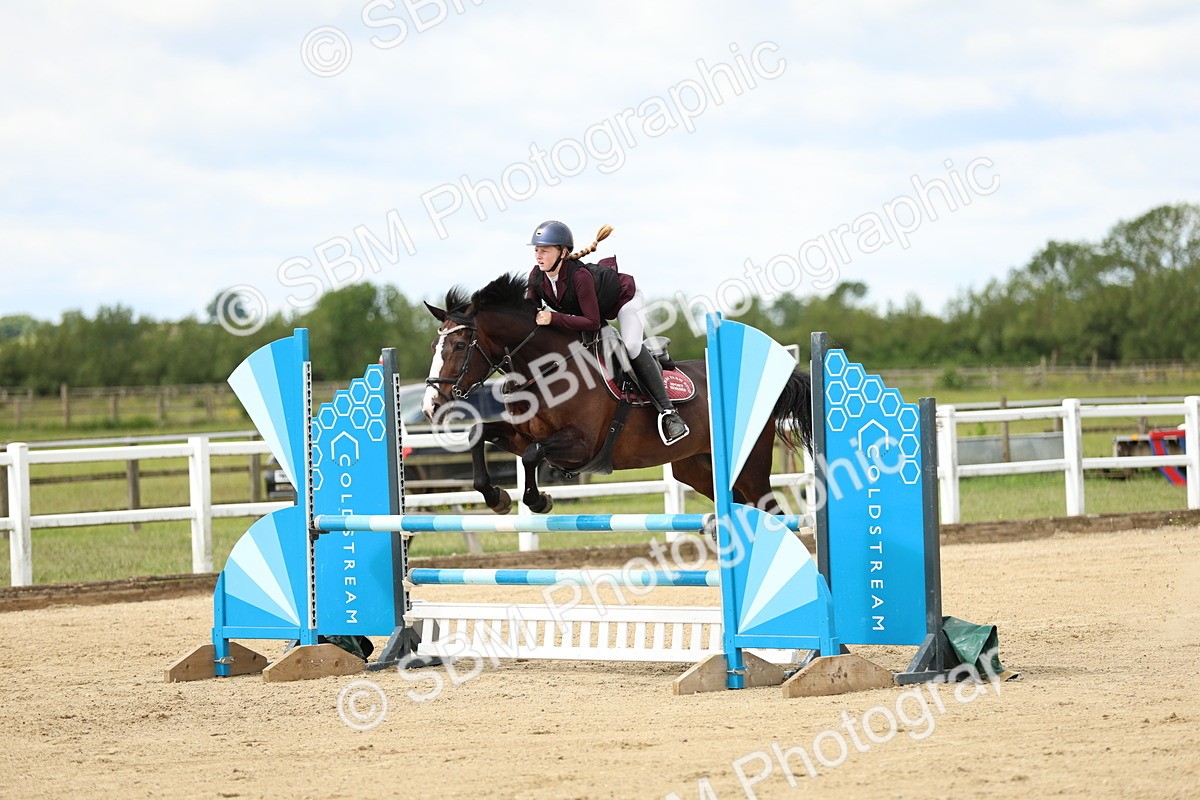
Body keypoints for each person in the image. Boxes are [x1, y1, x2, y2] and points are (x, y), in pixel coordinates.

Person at [523, 220, 690, 445]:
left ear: (562, 253)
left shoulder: (579, 276)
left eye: (545, 250)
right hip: (593, 311)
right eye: (536, 250)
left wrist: (553, 317)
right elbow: (529, 314)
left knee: (630, 346)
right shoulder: (536, 276)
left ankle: (669, 413)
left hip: (623, 300)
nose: (538, 255)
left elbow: (592, 322)